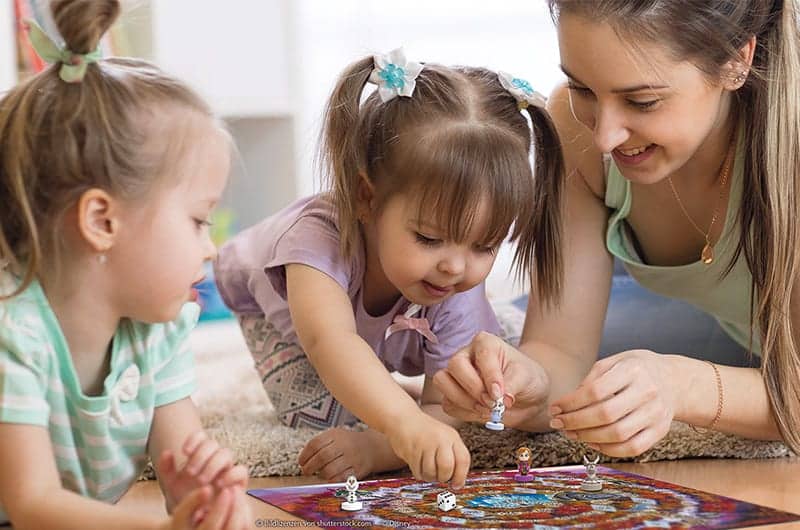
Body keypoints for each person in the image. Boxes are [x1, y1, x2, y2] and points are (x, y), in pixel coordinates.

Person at [434, 0, 800, 458]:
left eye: (641, 101)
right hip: (725, 326)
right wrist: (526, 386)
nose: (604, 137)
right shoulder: (577, 127)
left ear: (736, 62)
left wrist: (681, 385)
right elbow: (560, 352)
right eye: (582, 88)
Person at [214, 48, 563, 487]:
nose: (456, 266)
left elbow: (443, 409)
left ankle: (397, 384)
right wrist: (402, 423)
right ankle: (386, 392)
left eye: (485, 245)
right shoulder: (313, 242)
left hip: (400, 319)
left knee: (484, 374)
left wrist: (383, 446)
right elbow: (330, 342)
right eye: (429, 238)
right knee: (318, 419)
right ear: (367, 198)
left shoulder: (452, 280)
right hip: (280, 309)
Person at [0, 1, 252, 528]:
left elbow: (180, 463)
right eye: (198, 220)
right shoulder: (13, 334)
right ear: (102, 222)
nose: (210, 247)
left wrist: (202, 499)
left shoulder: (156, 330)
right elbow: (30, 504)